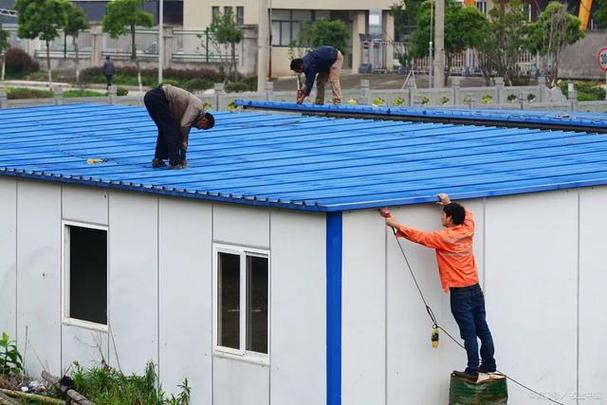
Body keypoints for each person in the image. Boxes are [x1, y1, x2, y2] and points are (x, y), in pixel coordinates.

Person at [379, 193, 496, 382]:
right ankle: (489, 364)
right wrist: (449, 203)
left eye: (444, 214)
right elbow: (468, 216)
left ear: (450, 219)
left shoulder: (444, 238)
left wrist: (395, 224)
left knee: (469, 334)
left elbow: (420, 237)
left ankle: (472, 370)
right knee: (482, 328)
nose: (441, 217)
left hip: (460, 292)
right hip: (475, 288)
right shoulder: (467, 229)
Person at [143, 84, 215, 169]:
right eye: (203, 127)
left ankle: (158, 160)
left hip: (152, 98)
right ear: (204, 120)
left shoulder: (193, 117)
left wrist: (183, 156)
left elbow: (185, 136)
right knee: (172, 129)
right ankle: (174, 163)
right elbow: (183, 126)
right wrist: (181, 158)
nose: (199, 129)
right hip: (158, 97)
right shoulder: (198, 107)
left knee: (165, 129)